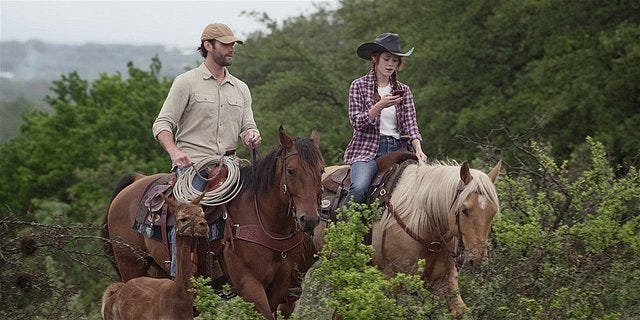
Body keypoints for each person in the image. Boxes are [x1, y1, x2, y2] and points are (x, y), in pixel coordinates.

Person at [152, 23, 261, 278]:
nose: (231, 49)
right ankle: (183, 282)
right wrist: (174, 151)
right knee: (189, 216)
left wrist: (251, 135)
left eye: (233, 44)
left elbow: (248, 125)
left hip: (232, 168)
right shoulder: (186, 82)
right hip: (194, 167)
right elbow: (162, 124)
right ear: (208, 46)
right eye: (225, 44)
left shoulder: (241, 88)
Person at [343, 32, 428, 205]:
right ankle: (341, 229)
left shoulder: (404, 90)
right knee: (359, 187)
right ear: (375, 58)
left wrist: (418, 149)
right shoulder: (358, 86)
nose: (390, 64)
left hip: (399, 149)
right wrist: (380, 105)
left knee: (425, 187)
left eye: (395, 60)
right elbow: (357, 122)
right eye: (387, 59)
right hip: (368, 151)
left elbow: (411, 124)